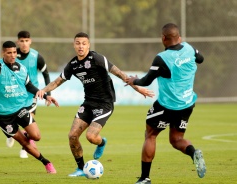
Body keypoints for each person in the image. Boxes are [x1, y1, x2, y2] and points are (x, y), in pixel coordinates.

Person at [41, 32, 155, 177]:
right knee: (72, 136)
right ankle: (81, 169)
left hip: (105, 104)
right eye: (78, 43)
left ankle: (101, 143)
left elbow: (119, 73)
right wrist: (43, 90)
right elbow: (57, 81)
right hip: (88, 103)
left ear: (88, 45)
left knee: (91, 137)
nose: (80, 46)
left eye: (84, 43)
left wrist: (138, 88)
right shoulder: (73, 64)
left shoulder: (97, 58)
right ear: (74, 45)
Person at [125, 23, 206, 184]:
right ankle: (193, 153)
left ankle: (145, 178)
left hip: (167, 106)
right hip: (187, 103)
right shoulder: (189, 49)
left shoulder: (162, 59)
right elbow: (201, 58)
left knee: (150, 135)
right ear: (179, 37)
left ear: (163, 38)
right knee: (176, 139)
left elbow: (146, 81)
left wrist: (133, 80)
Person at [0, 41, 59, 174]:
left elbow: (29, 86)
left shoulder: (21, 68)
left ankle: (25, 133)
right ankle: (47, 163)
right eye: (9, 52)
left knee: (36, 137)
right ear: (3, 53)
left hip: (20, 109)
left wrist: (46, 96)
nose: (13, 55)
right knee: (24, 143)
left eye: (14, 52)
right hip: (2, 115)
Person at [6, 30, 51, 159]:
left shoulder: (37, 57)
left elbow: (46, 74)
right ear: (17, 42)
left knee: (29, 121)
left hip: (32, 94)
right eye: (22, 41)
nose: (24, 44)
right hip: (15, 92)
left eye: (26, 41)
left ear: (30, 41)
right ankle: (10, 133)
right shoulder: (13, 56)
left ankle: (24, 149)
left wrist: (48, 93)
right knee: (12, 118)